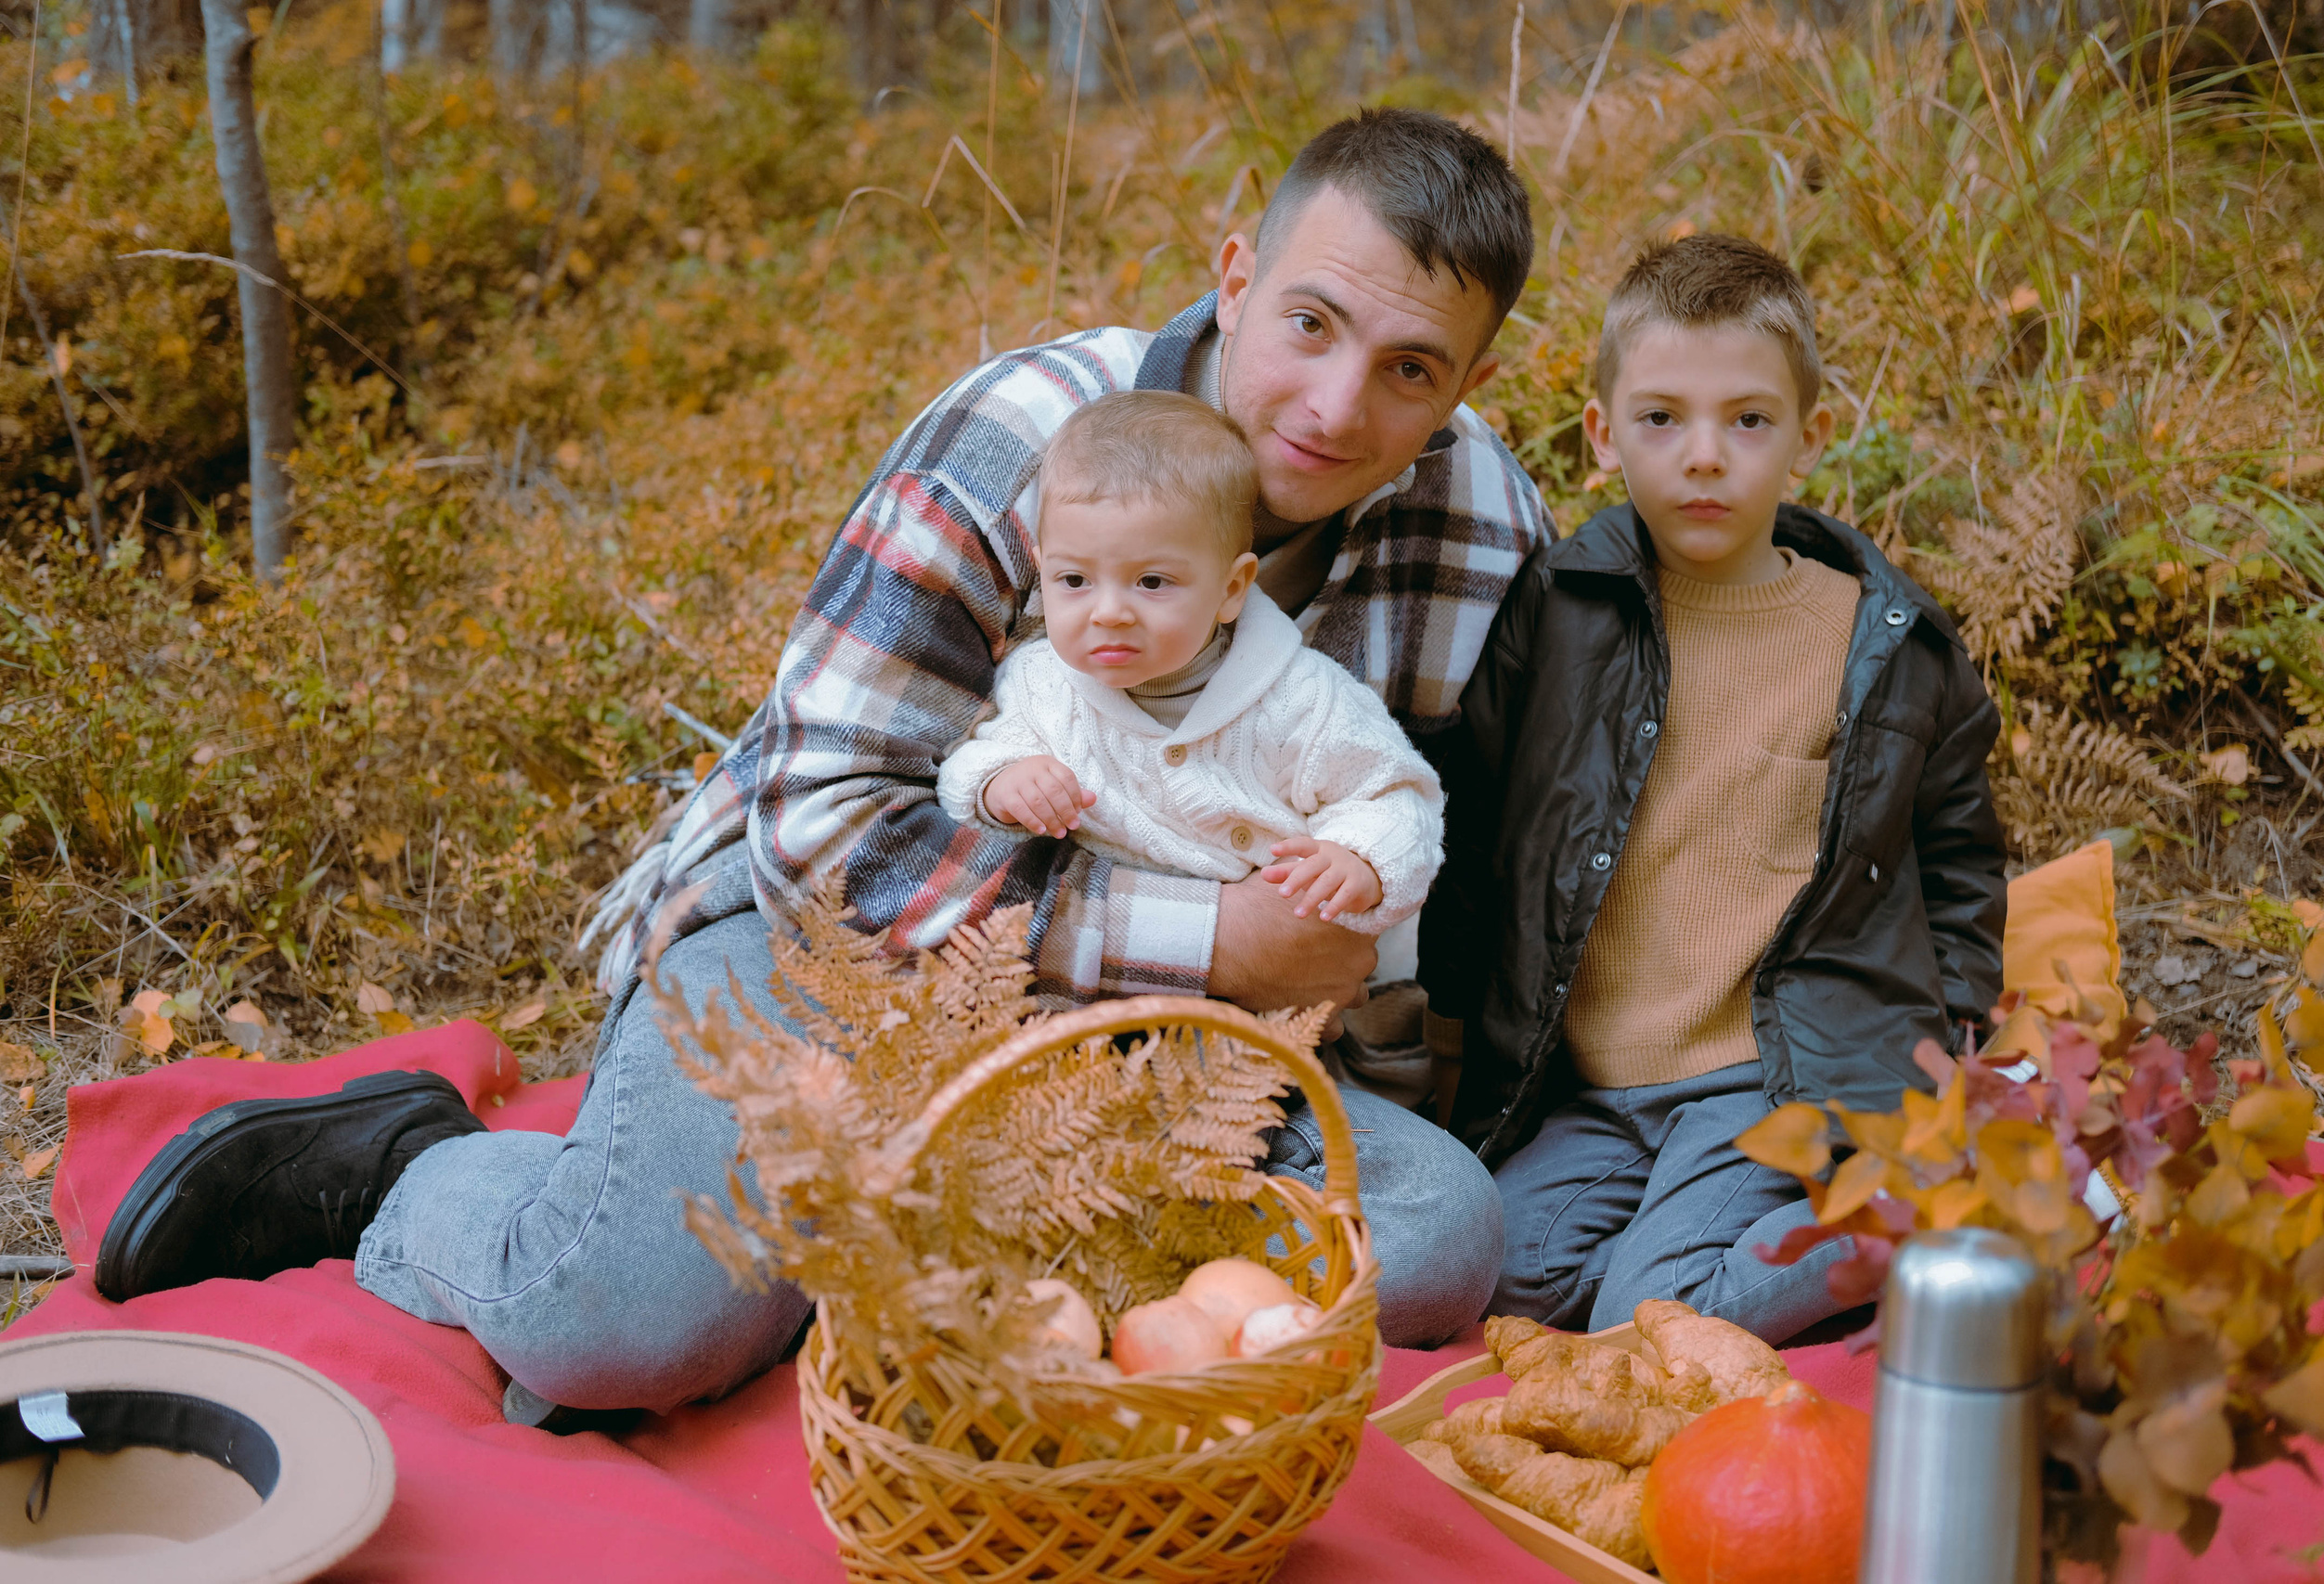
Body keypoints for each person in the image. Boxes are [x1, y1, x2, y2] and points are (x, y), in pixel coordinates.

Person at [94, 107, 1554, 1415]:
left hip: (1158, 1049)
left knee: (1433, 1237)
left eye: (1409, 368)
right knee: (612, 1329)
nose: (1337, 405)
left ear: (1469, 378)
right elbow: (824, 820)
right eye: (1309, 322)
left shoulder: (1479, 514)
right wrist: (1220, 937)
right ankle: (408, 1167)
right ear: (1236, 277)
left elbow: (1475, 842)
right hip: (840, 948)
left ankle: (888, 1249)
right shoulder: (1023, 438)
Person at [1418, 234, 2006, 1345]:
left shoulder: (1883, 644)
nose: (1703, 456)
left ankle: (1909, 1219)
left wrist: (1955, 1033)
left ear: (1807, 436)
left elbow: (1960, 853)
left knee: (1649, 1316)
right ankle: (1755, 1254)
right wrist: (1451, 1031)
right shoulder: (1556, 616)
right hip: (1594, 1088)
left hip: (1773, 1077)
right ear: (1602, 436)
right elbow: (1480, 821)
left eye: (1747, 419)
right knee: (1499, 1285)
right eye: (1660, 419)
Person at [939, 390, 1443, 970]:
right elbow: (970, 767)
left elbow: (1394, 796)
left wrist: (1361, 858)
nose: (1108, 612)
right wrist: (1001, 784)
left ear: (1231, 589)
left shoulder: (1303, 699)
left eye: (1151, 583)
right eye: (1074, 580)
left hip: (1273, 974)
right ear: (1041, 564)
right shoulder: (1040, 684)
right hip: (1107, 963)